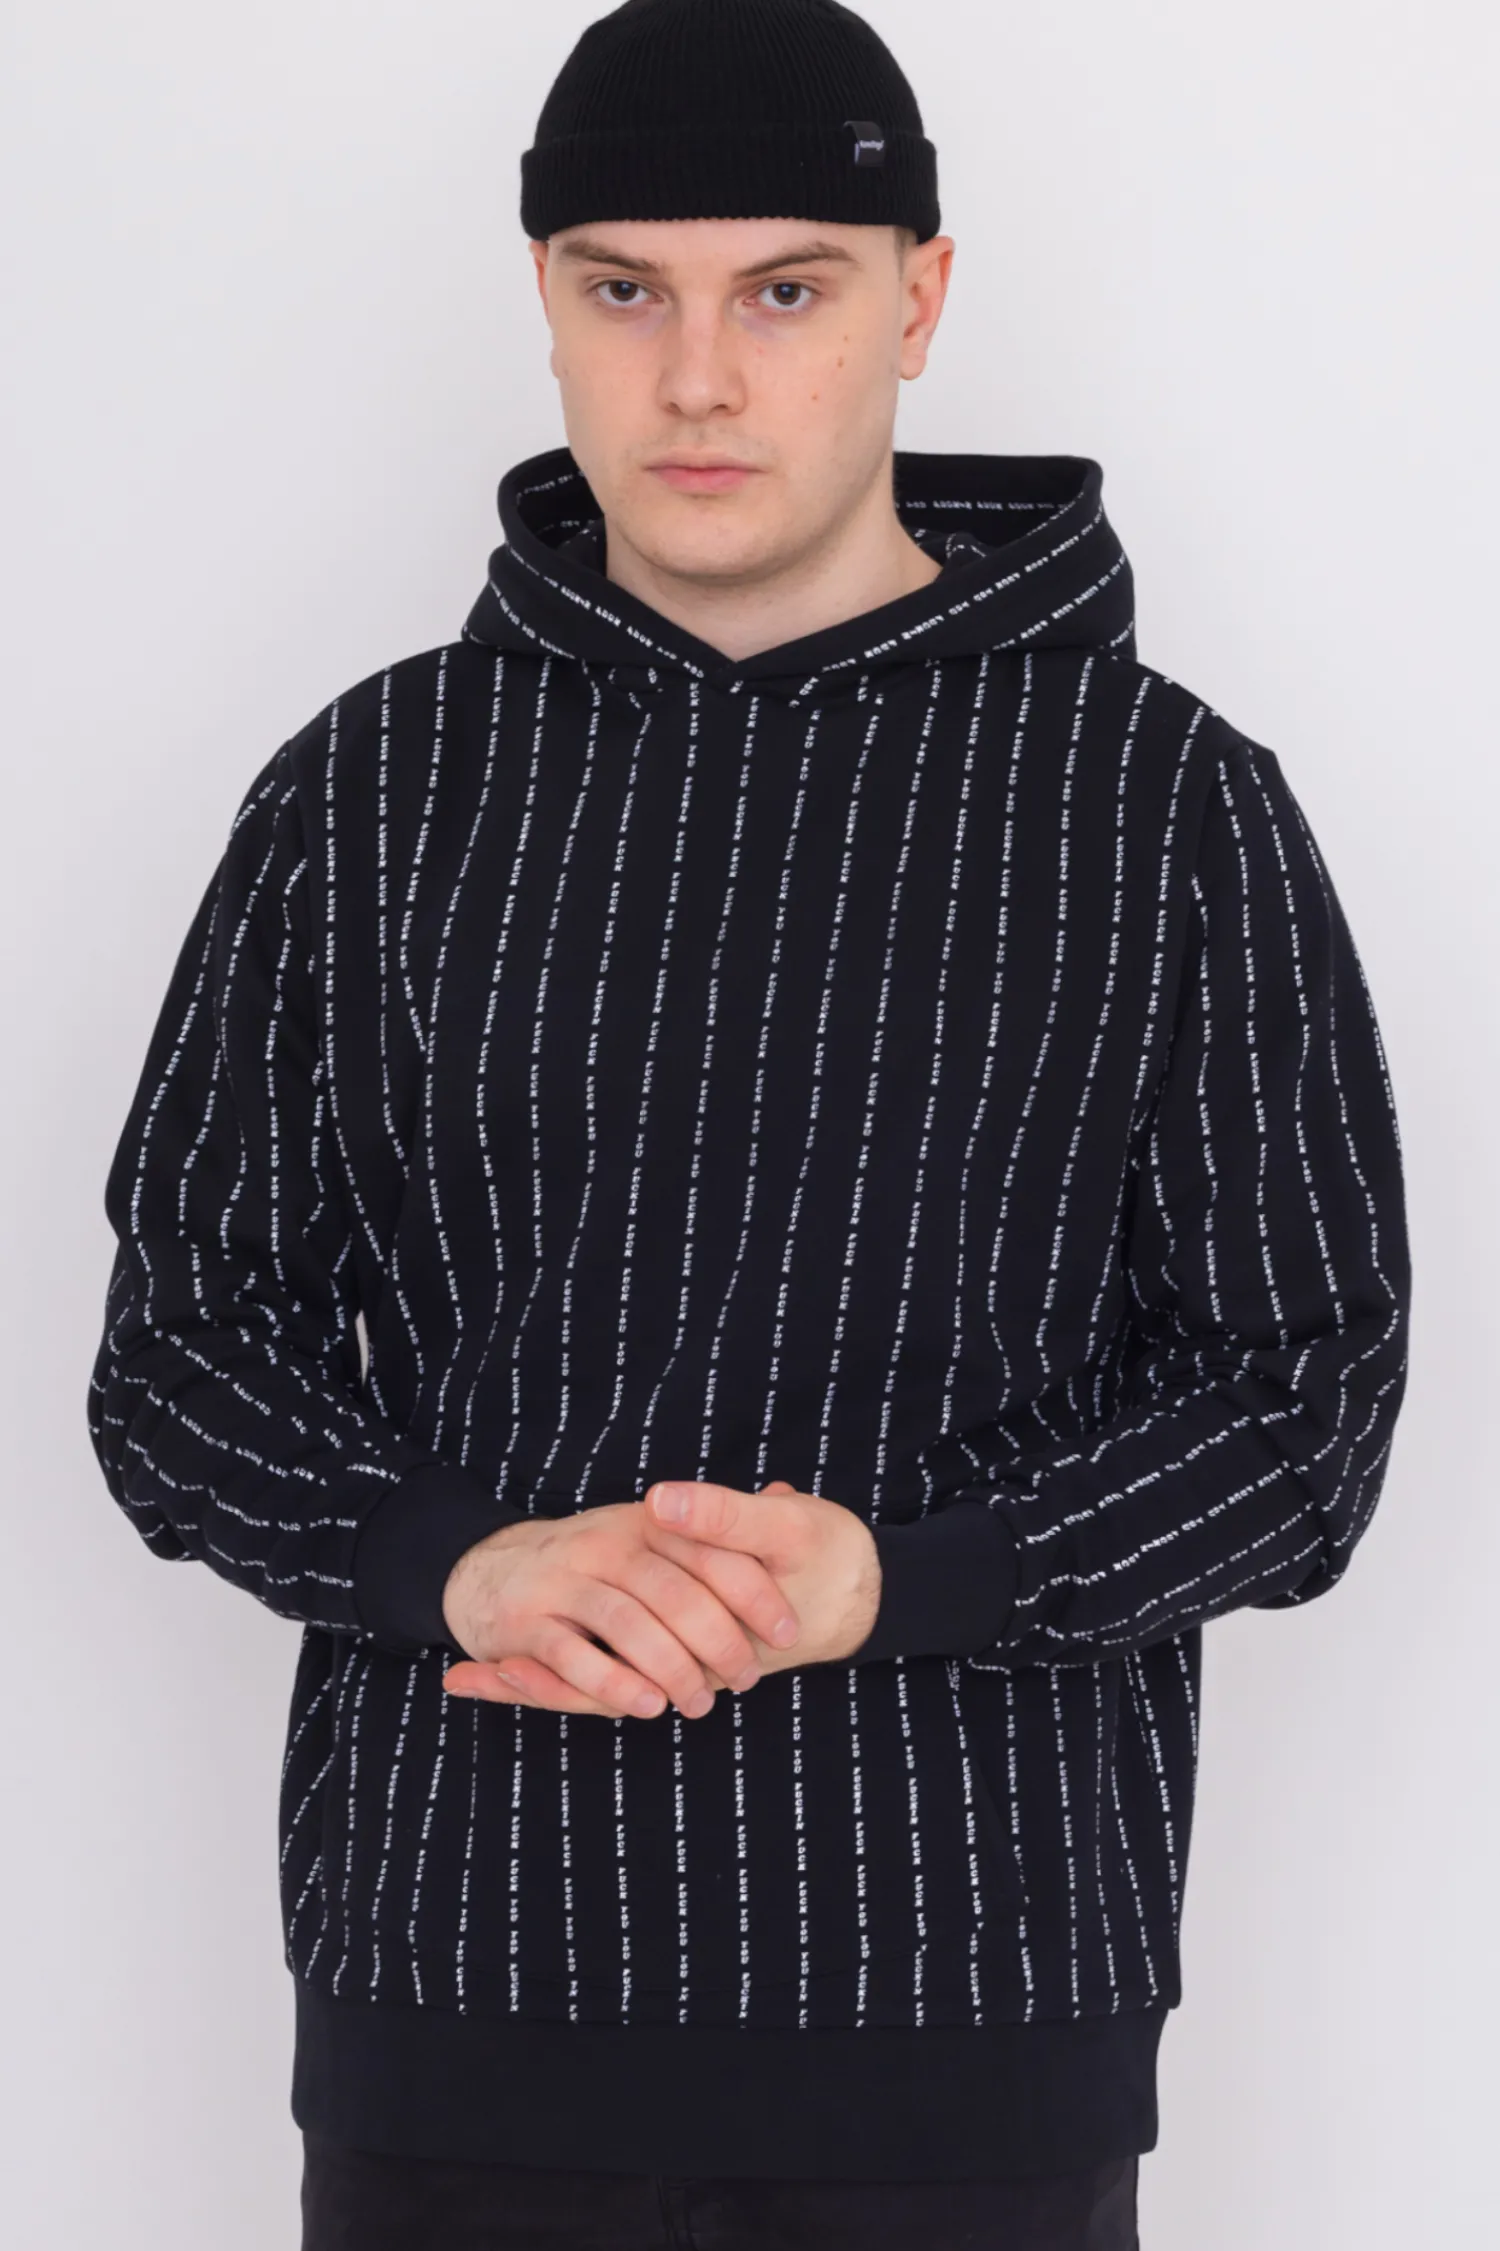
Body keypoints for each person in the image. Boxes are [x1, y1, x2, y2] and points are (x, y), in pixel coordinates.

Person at [85, 1, 1412, 2245]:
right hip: (454, 1996)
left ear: (921, 298)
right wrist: (467, 1563)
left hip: (971, 2014)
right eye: (628, 291)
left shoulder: (1164, 807)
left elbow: (1304, 1410)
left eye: (785, 291)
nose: (697, 378)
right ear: (545, 301)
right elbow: (179, 1361)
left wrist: (904, 1580)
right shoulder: (372, 793)